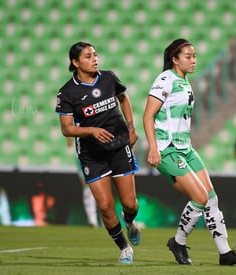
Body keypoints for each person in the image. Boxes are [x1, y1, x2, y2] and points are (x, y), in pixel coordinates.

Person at [143, 38, 236, 266]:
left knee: (211, 198)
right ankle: (178, 242)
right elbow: (148, 115)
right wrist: (153, 147)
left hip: (186, 148)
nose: (193, 61)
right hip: (168, 149)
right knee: (200, 198)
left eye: (194, 56)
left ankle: (225, 253)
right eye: (188, 57)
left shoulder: (185, 82)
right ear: (174, 59)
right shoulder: (165, 79)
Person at [55, 41, 140, 264]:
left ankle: (130, 221)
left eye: (95, 54)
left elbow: (124, 98)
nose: (94, 59)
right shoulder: (67, 92)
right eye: (87, 56)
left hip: (120, 145)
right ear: (75, 62)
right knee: (105, 206)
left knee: (130, 204)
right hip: (92, 155)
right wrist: (91, 130)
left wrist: (131, 128)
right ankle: (124, 248)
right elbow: (66, 129)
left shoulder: (110, 78)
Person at [67, 137, 99, 228]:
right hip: (82, 156)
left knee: (98, 188)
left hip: (96, 155)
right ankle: (92, 220)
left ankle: (102, 220)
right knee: (87, 187)